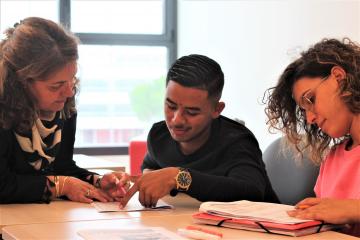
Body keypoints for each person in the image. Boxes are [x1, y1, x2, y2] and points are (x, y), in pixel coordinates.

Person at [121, 54, 279, 208]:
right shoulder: (159, 135)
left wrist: (179, 177)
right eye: (171, 106)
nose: (176, 120)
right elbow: (151, 165)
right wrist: (139, 180)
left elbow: (252, 191)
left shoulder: (237, 141)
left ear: (217, 109)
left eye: (191, 112)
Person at [0, 17, 128, 204]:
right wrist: (59, 185)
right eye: (56, 85)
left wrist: (97, 181)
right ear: (21, 83)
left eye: (72, 79)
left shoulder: (62, 106)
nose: (68, 92)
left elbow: (61, 168)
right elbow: (3, 185)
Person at [264, 38, 360, 236]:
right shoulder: (333, 158)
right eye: (304, 110)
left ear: (339, 78)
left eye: (311, 99)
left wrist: (353, 210)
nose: (309, 118)